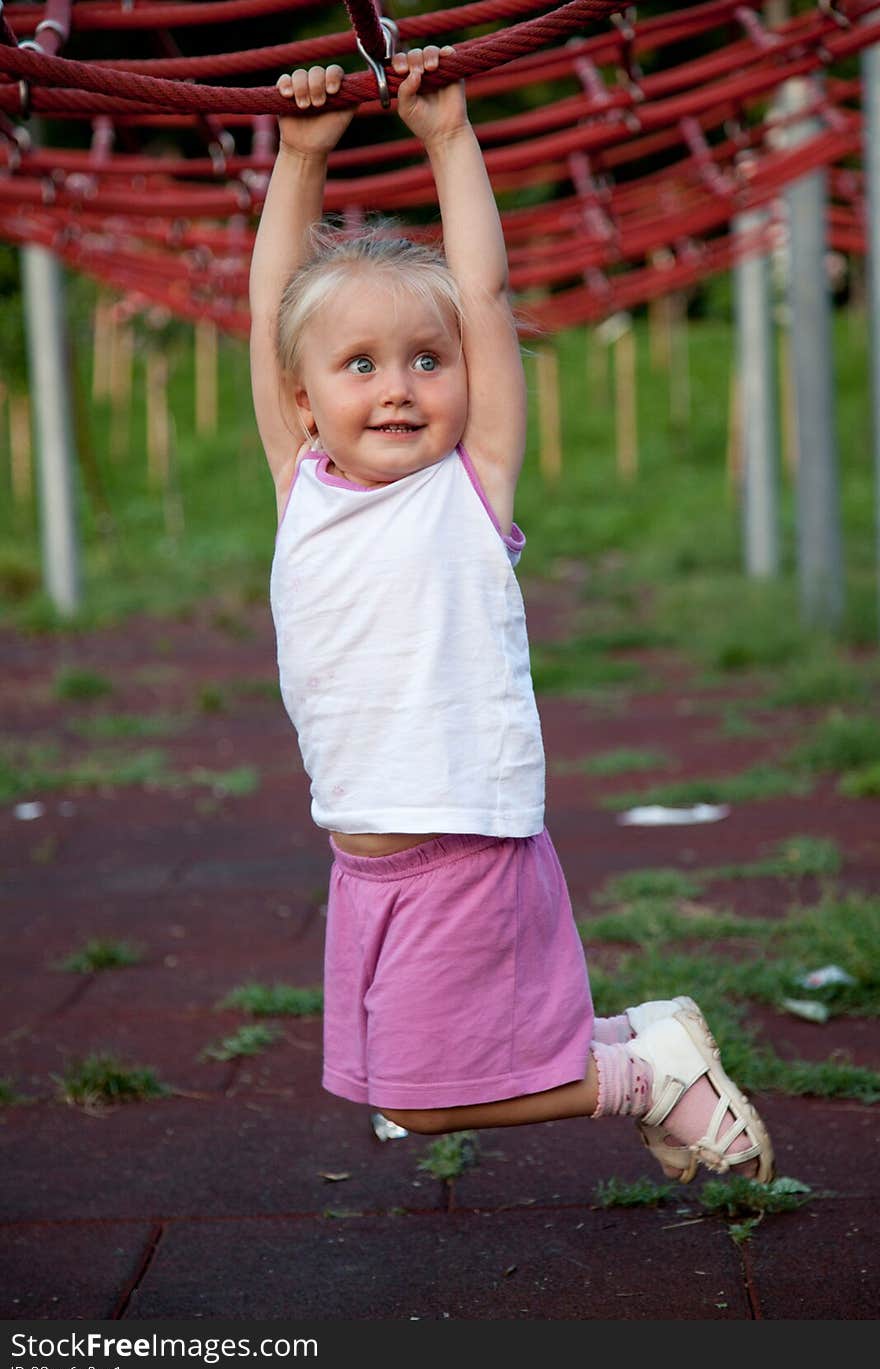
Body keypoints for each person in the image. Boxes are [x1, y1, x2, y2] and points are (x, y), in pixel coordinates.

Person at [249, 45, 774, 1185]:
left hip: (461, 840)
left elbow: (482, 293)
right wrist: (297, 161)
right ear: (302, 396)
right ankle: (635, 1041)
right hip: (364, 859)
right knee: (401, 1088)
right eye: (359, 364)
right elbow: (268, 311)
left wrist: (449, 139)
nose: (397, 385)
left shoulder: (469, 487)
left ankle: (647, 1072)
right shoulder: (302, 489)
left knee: (431, 1108)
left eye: (426, 361)